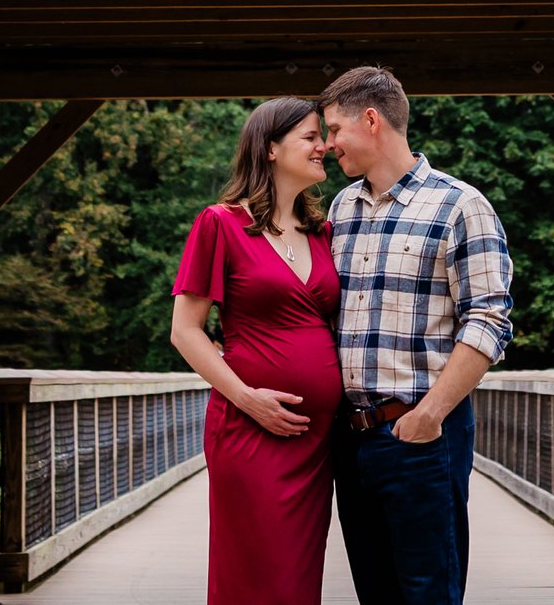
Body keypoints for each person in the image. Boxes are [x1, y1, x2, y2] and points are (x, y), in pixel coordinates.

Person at [320, 66, 513, 605]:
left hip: (423, 435)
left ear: (371, 120)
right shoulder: (341, 208)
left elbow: (489, 320)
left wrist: (429, 415)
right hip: (351, 439)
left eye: (334, 129)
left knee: (429, 593)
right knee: (374, 592)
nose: (328, 144)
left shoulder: (461, 206)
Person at [170, 96, 343, 605]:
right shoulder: (219, 223)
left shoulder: (323, 232)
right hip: (249, 430)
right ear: (270, 148)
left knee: (297, 578)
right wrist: (248, 399)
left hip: (315, 442)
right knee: (254, 573)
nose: (324, 146)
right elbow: (185, 331)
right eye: (311, 137)